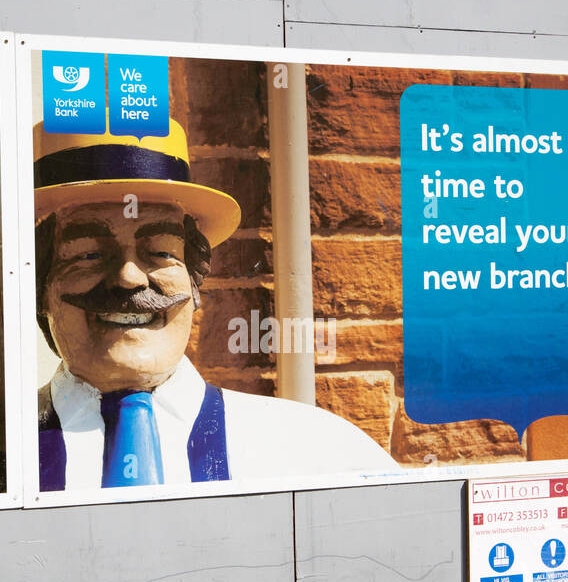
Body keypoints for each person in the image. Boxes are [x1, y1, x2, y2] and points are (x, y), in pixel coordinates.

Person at [33, 118, 398, 490]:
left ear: (194, 284)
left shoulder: (320, 452)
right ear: (40, 290)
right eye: (88, 255)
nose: (129, 278)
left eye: (160, 252)